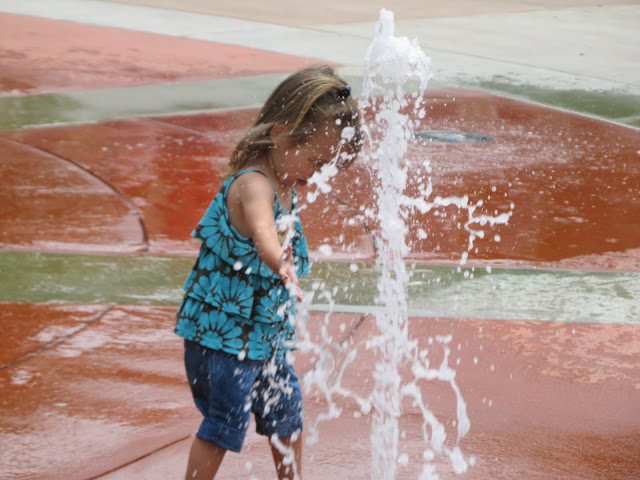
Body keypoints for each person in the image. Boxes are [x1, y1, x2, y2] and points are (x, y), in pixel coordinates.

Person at [174, 65, 362, 480]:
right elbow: (262, 231)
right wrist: (279, 261)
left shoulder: (285, 180)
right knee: (224, 423)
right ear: (279, 134)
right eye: (317, 161)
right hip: (221, 337)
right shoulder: (254, 184)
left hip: (262, 336)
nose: (320, 174)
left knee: (287, 414)